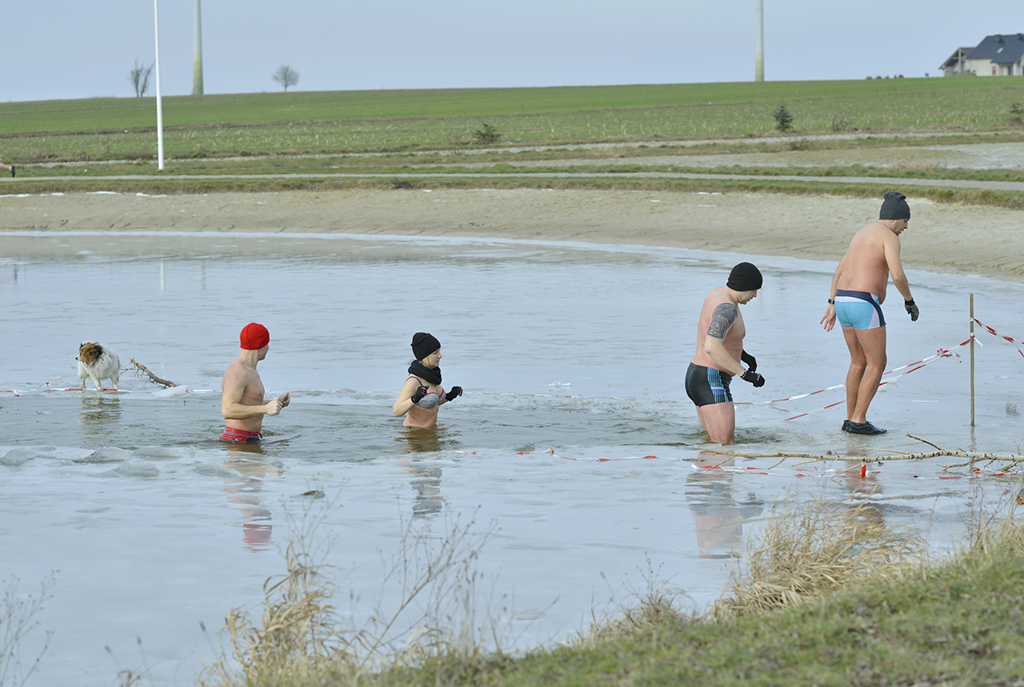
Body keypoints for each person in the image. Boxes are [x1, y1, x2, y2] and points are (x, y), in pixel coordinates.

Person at [821, 191, 919, 436]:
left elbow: (839, 269)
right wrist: (910, 301)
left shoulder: (862, 233)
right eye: (905, 220)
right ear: (894, 218)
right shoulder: (889, 237)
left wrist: (832, 302)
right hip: (863, 303)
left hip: (843, 300)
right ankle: (859, 420)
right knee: (878, 363)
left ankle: (849, 418)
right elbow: (897, 275)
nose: (906, 226)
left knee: (858, 362)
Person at [685, 262, 766, 445]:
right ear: (744, 286)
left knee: (712, 446)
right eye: (754, 290)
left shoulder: (716, 294)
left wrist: (743, 355)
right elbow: (712, 346)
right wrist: (745, 374)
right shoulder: (728, 309)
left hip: (696, 374)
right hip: (711, 379)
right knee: (725, 448)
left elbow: (717, 335)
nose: (754, 295)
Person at [220, 322, 290, 442]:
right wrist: (266, 409)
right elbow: (227, 410)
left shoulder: (250, 370)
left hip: (247, 439)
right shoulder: (238, 372)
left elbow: (247, 402)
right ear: (261, 345)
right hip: (237, 442)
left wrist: (274, 403)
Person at [393, 332, 463, 428]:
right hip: (414, 432)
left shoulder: (431, 376)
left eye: (439, 351)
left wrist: (449, 396)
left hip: (430, 431)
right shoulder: (413, 381)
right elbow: (396, 411)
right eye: (435, 353)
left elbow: (429, 405)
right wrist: (414, 398)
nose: (440, 355)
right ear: (424, 356)